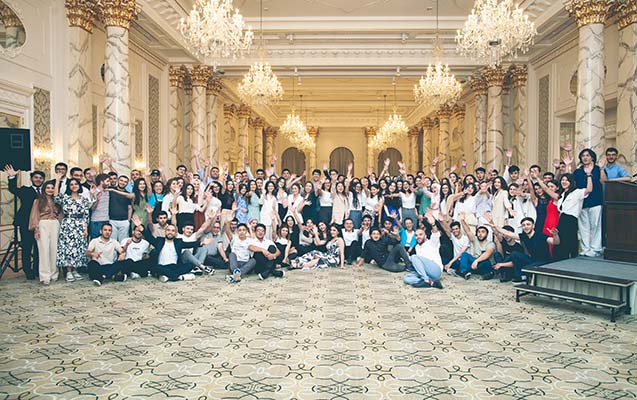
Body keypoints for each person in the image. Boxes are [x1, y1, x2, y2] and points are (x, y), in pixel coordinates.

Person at [5, 165, 45, 280]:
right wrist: (12, 177)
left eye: (40, 178)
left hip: (41, 224)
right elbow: (13, 189)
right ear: (32, 179)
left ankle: (37, 269)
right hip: (26, 223)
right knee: (27, 247)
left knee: (38, 248)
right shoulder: (25, 190)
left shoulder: (46, 191)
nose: (38, 179)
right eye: (36, 177)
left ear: (43, 180)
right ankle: (28, 270)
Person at [490, 217, 560, 282]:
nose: (526, 227)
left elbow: (556, 242)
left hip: (544, 260)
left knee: (526, 268)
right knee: (514, 254)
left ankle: (522, 276)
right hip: (532, 259)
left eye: (528, 224)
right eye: (523, 225)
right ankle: (519, 276)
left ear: (533, 226)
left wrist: (555, 235)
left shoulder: (541, 235)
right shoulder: (523, 236)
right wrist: (494, 226)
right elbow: (507, 233)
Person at [54, 175, 93, 282]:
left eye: (76, 184)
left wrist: (85, 228)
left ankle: (75, 270)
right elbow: (56, 196)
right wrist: (57, 181)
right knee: (68, 247)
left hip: (80, 224)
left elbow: (86, 215)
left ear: (79, 185)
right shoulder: (65, 198)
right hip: (68, 224)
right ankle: (68, 271)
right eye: (71, 184)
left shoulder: (84, 199)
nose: (74, 186)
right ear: (69, 187)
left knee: (78, 247)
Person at [28, 180, 62, 285]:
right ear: (44, 189)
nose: (50, 190)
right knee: (43, 249)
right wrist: (36, 229)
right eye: (48, 188)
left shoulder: (57, 201)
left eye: (52, 188)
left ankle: (54, 273)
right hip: (43, 224)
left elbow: (61, 215)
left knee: (54, 249)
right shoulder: (38, 201)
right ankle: (44, 276)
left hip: (55, 224)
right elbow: (34, 215)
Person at [573, 148, 604, 257]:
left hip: (595, 200)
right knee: (583, 226)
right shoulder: (578, 171)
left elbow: (604, 181)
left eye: (587, 155)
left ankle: (595, 248)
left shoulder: (597, 169)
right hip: (582, 201)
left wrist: (601, 169)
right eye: (583, 156)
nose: (585, 158)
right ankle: (585, 248)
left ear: (592, 157)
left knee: (595, 226)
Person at [554, 173, 592, 260]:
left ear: (571, 182)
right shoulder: (562, 194)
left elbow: (589, 189)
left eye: (566, 180)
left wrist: (589, 175)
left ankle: (571, 259)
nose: (564, 182)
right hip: (562, 219)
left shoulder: (577, 192)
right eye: (562, 180)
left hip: (571, 219)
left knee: (570, 241)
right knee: (561, 241)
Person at [456, 213, 495, 280]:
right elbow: (468, 231)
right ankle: (463, 272)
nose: (480, 234)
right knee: (464, 254)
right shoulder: (475, 240)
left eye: (483, 232)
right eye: (479, 232)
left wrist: (476, 261)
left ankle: (463, 270)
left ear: (487, 234)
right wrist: (462, 220)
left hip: (484, 263)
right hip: (475, 263)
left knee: (486, 262)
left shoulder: (490, 243)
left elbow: (487, 254)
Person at [108, 175, 132, 242]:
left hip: (124, 221)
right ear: (118, 180)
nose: (123, 183)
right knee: (112, 241)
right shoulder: (110, 190)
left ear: (127, 184)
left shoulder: (128, 194)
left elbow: (130, 208)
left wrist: (128, 221)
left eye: (125, 182)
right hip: (112, 220)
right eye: (121, 180)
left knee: (123, 241)